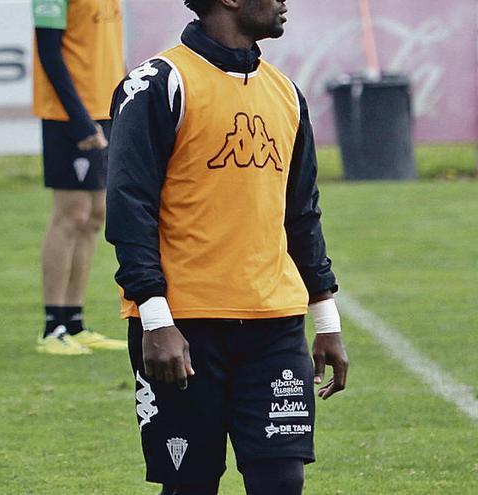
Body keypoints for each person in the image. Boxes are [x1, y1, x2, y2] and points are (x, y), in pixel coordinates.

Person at [105, 1, 349, 493]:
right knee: (190, 484)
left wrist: (326, 320)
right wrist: (156, 319)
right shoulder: (158, 83)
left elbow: (300, 213)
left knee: (282, 480)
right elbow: (129, 207)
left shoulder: (286, 92)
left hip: (275, 327)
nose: (284, 3)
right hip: (183, 327)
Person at [32, 0, 128, 355]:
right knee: (70, 214)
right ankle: (52, 326)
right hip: (67, 115)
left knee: (94, 217)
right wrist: (79, 119)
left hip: (104, 108)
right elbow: (49, 52)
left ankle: (74, 321)